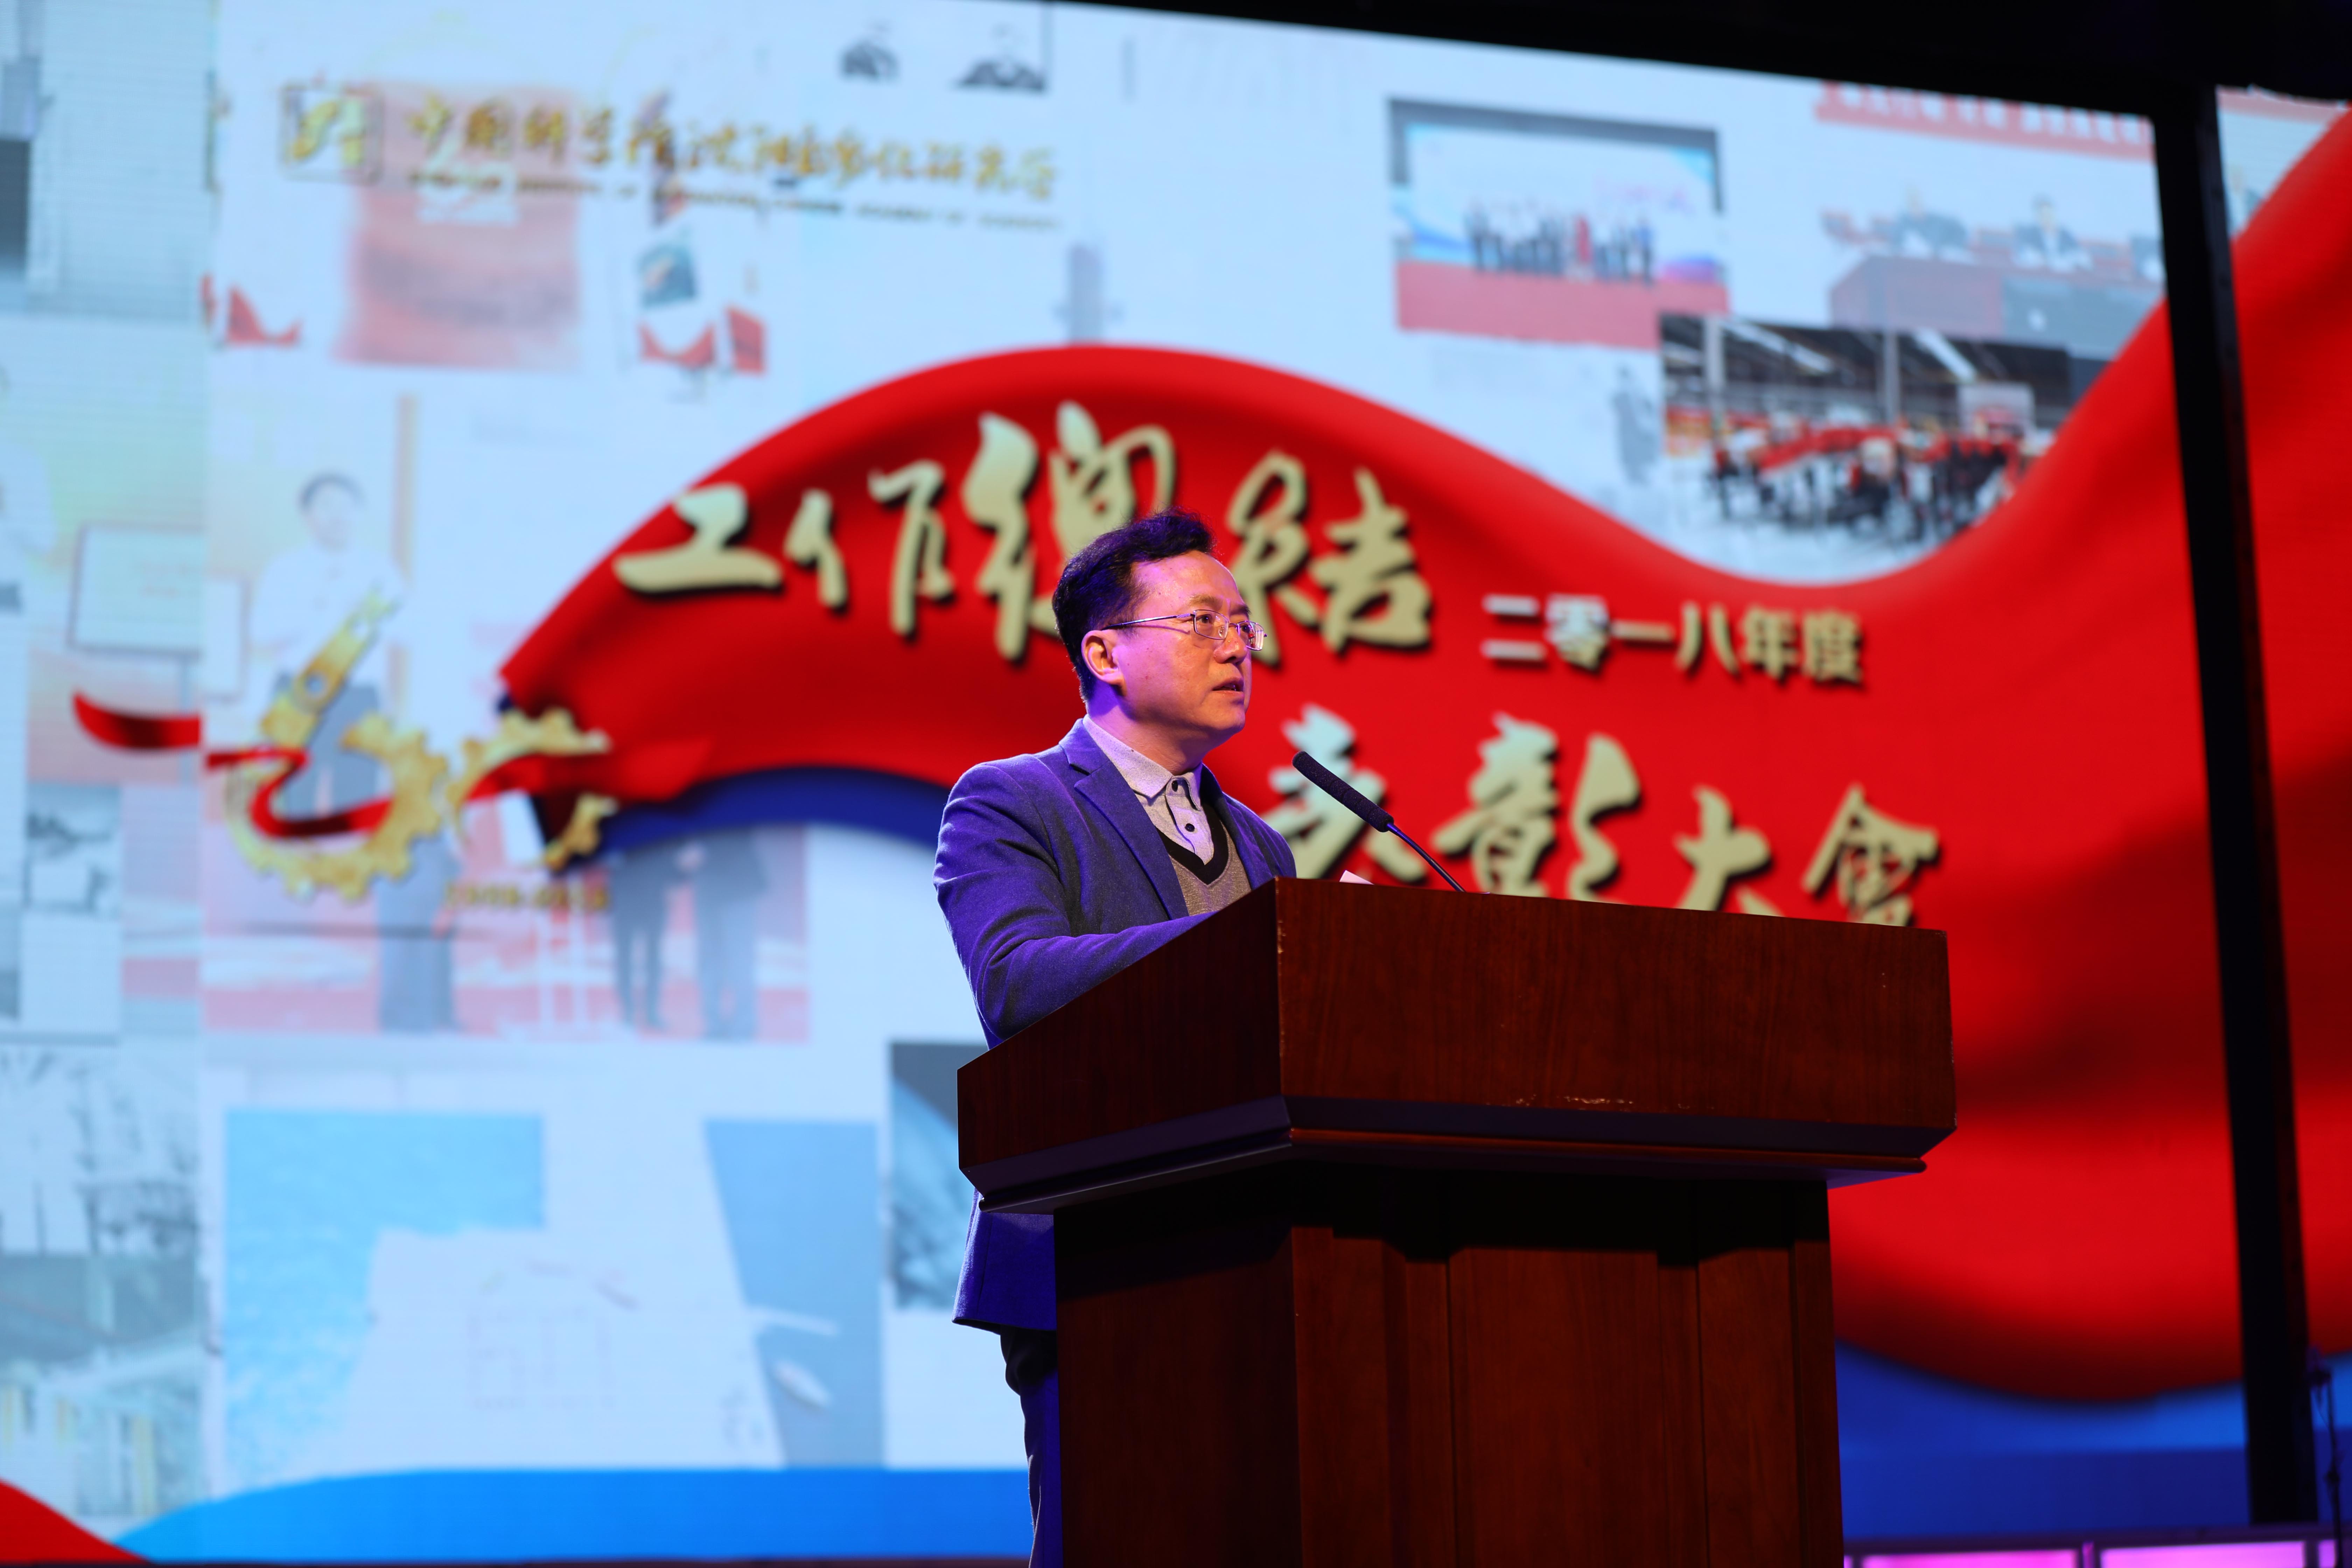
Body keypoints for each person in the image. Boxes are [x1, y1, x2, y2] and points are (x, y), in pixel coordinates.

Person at [932, 509, 1296, 1567]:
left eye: (1244, 624)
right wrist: (1240, 944)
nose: (1237, 647)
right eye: (1202, 621)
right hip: (1096, 1260)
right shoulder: (1013, 802)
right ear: (1105, 652)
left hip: (1262, 1260)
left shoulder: (1262, 845)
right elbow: (1016, 981)